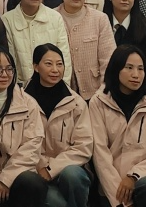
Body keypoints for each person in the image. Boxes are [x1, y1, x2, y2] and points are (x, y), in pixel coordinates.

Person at [89, 45, 146, 207]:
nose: (136, 75)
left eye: (140, 69)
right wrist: (120, 200)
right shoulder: (98, 102)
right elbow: (100, 153)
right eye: (129, 68)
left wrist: (134, 175)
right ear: (116, 69)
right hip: (113, 187)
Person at [0, 45, 48, 206]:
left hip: (17, 175)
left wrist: (6, 178)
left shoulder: (27, 102)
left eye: (9, 69)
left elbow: (32, 146)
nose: (5, 74)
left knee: (33, 184)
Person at [23, 44, 93, 207]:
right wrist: (41, 167)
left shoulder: (76, 102)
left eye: (59, 64)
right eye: (48, 64)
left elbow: (83, 146)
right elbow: (19, 144)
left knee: (73, 174)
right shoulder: (21, 101)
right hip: (33, 168)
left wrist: (51, 169)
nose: (55, 69)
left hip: (66, 169)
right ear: (36, 67)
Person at [2, 0, 72, 85]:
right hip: (22, 87)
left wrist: (63, 86)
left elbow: (64, 56)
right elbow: (11, 58)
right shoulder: (7, 20)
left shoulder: (55, 17)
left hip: (54, 85)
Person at [55, 0, 116, 100]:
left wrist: (104, 90)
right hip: (60, 91)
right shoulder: (51, 17)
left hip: (95, 91)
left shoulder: (99, 19)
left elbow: (108, 58)